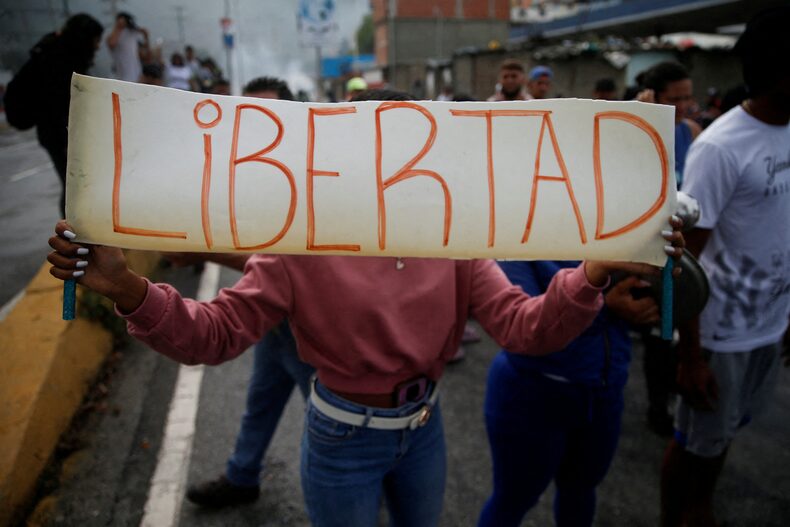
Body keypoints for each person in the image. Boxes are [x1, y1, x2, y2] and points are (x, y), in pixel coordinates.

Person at [47, 88, 685, 527]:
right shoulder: (300, 245)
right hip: (339, 437)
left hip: (423, 428)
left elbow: (525, 328)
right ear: (347, 162)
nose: (397, 167)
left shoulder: (455, 241)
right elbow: (215, 335)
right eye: (377, 152)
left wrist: (592, 273)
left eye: (409, 151)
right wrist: (127, 287)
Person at [661, 8, 790, 527]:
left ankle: (699, 509)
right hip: (719, 336)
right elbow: (684, 261)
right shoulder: (720, 147)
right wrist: (690, 357)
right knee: (696, 442)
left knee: (723, 435)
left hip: (768, 326)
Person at [184, 78, 316, 508]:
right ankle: (242, 475)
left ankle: (369, 494)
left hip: (310, 332)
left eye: (269, 115)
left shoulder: (309, 180)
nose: (257, 125)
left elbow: (292, 269)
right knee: (260, 401)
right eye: (249, 114)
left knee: (333, 424)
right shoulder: (247, 173)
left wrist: (202, 251)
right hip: (272, 325)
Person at [478, 261, 658, 526]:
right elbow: (525, 328)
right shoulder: (519, 234)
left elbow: (653, 305)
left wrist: (654, 302)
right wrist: (607, 307)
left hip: (604, 391)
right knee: (514, 498)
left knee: (581, 491)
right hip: (531, 393)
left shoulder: (616, 229)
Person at [636, 61, 703, 435]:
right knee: (657, 333)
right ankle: (656, 404)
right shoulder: (643, 129)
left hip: (687, 242)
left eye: (688, 97)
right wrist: (642, 117)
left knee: (682, 323)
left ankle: (676, 389)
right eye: (674, 100)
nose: (684, 106)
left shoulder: (692, 132)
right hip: (651, 248)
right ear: (655, 98)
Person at [3, 14, 103, 216]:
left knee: (75, 186)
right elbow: (57, 104)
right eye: (96, 40)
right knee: (75, 188)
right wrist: (67, 143)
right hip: (57, 134)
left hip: (55, 132)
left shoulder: (56, 50)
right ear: (84, 38)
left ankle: (75, 230)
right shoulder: (60, 59)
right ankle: (73, 233)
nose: (98, 46)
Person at [106, 12, 148, 83]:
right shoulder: (114, 34)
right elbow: (112, 43)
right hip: (120, 76)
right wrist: (118, 27)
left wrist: (146, 37)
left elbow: (144, 54)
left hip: (136, 75)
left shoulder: (133, 33)